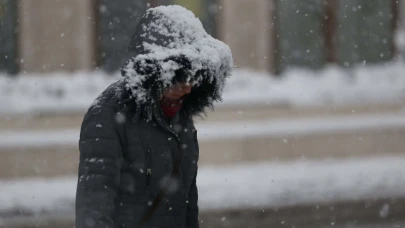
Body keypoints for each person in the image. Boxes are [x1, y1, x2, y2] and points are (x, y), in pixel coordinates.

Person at [75, 5, 233, 228]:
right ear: (152, 73)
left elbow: (188, 204)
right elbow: (94, 200)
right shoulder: (106, 115)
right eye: (178, 77)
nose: (187, 88)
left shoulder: (181, 118)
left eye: (194, 78)